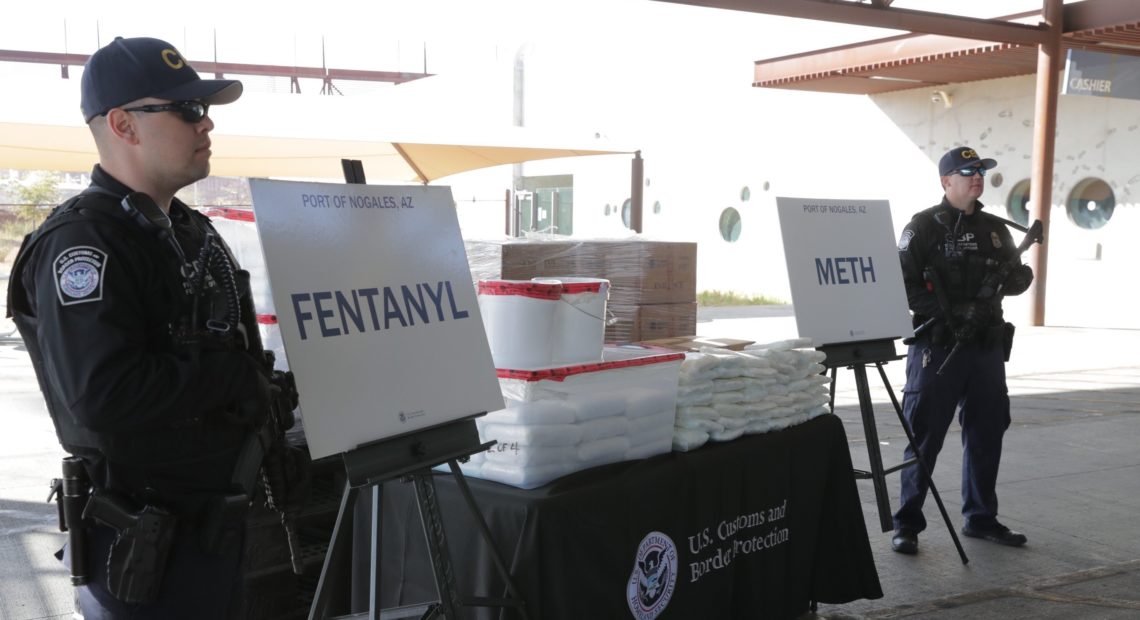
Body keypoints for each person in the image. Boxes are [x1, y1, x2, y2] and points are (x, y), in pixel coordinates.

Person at [6, 36, 275, 617]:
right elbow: (104, 396)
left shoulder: (187, 229)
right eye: (186, 110)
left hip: (213, 532)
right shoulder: (83, 244)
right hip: (144, 554)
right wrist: (230, 376)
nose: (205, 125)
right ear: (124, 125)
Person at [890, 146, 1035, 555]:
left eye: (981, 171)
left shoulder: (995, 228)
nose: (976, 177)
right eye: (967, 171)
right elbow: (903, 284)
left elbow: (1011, 277)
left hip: (985, 348)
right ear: (945, 180)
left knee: (987, 431)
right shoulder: (923, 228)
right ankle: (907, 524)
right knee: (924, 437)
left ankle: (981, 518)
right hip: (939, 348)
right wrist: (949, 313)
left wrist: (1019, 278)